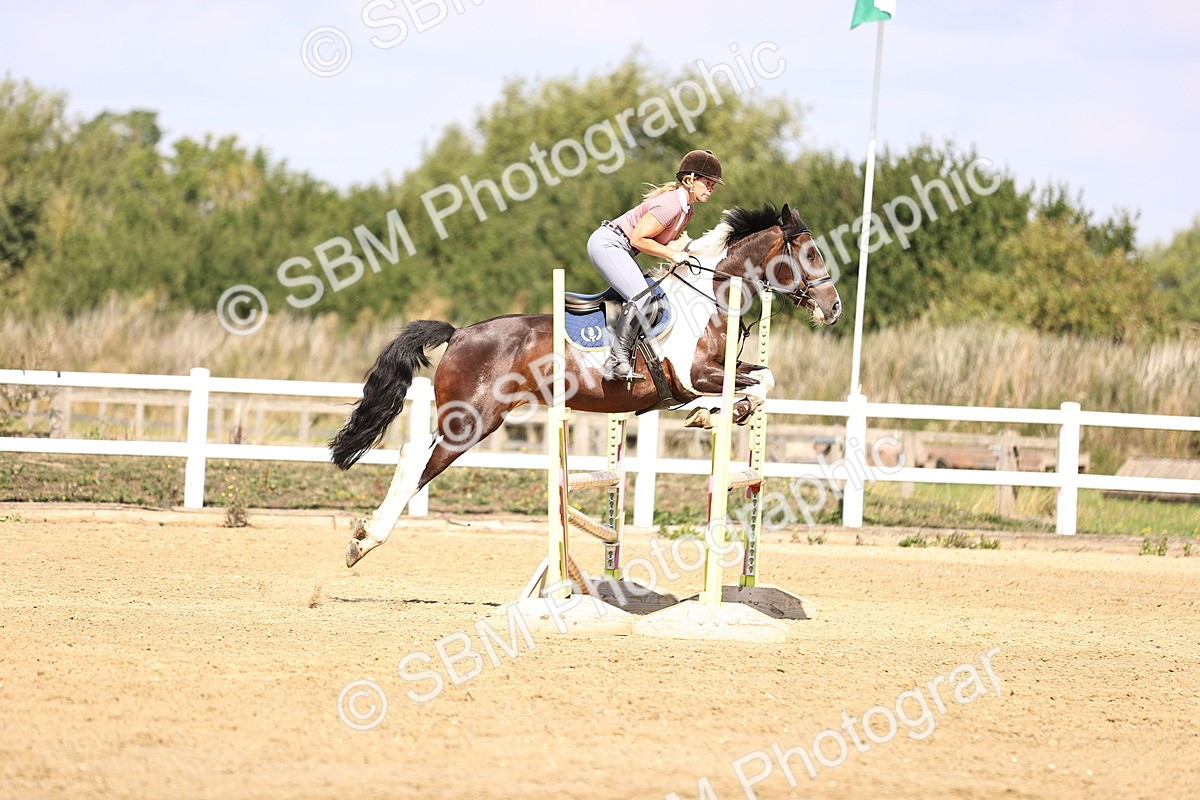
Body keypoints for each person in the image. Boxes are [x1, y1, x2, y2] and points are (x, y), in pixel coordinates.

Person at [586, 149, 724, 381]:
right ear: (689, 180)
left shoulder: (687, 210)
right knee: (641, 296)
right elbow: (638, 239)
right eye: (707, 183)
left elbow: (662, 244)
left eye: (713, 185)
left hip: (620, 248)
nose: (711, 189)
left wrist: (679, 255)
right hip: (609, 244)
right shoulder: (671, 204)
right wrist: (672, 254)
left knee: (652, 293)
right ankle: (616, 362)